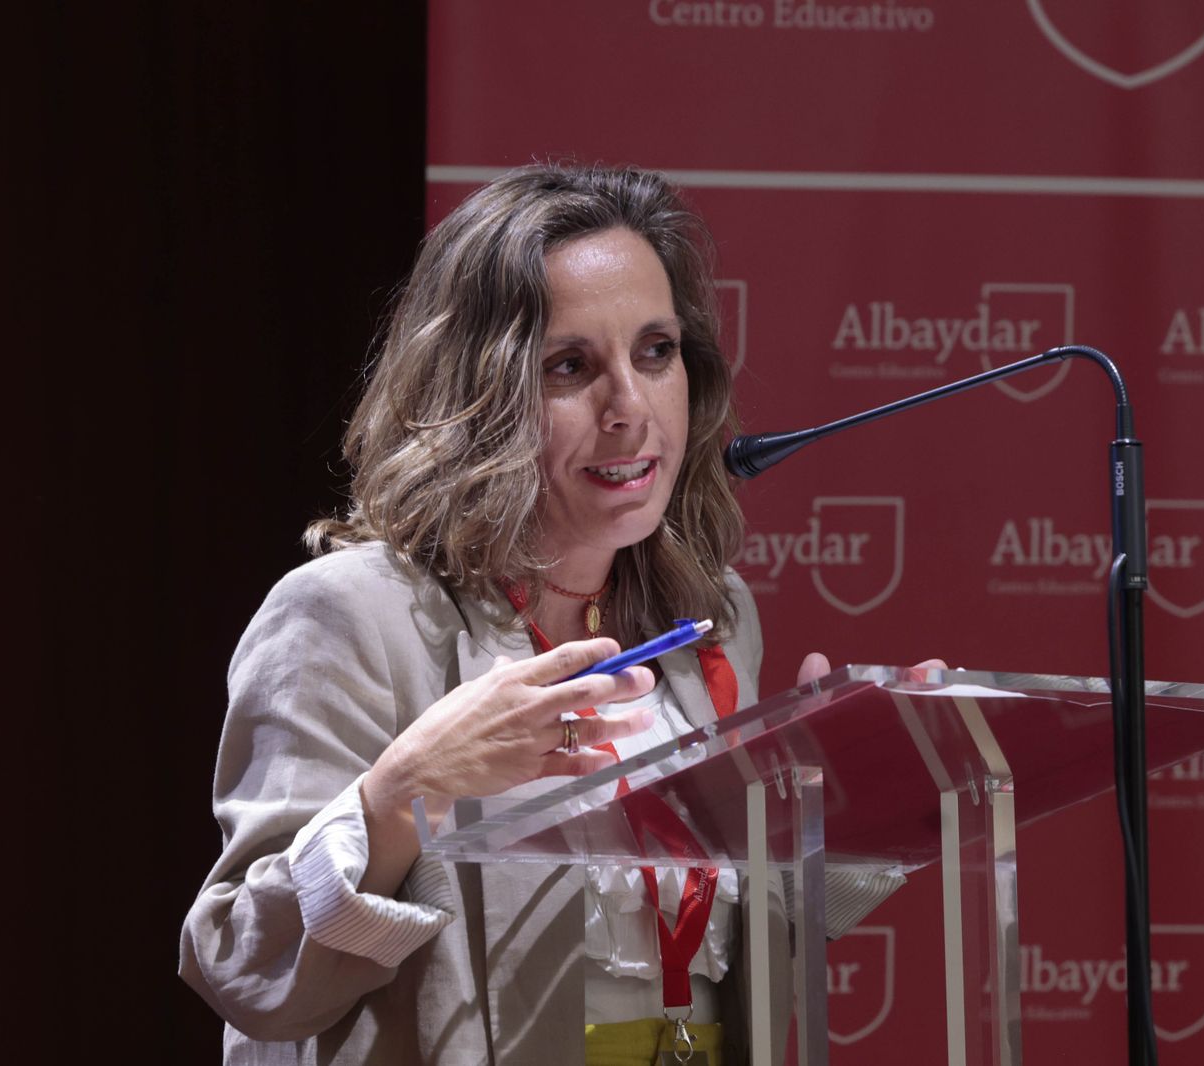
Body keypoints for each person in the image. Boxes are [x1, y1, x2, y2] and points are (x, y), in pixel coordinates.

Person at [179, 164, 872, 1066]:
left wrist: (842, 807)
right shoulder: (350, 617)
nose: (630, 408)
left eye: (655, 351)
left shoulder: (711, 616)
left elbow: (732, 959)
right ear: (477, 393)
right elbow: (246, 966)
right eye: (569, 366)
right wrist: (401, 796)